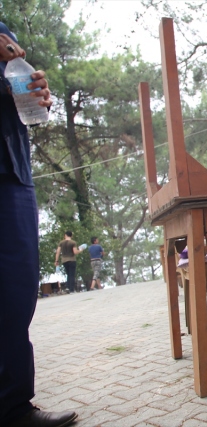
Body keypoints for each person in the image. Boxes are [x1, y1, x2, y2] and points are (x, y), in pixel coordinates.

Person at [0, 24, 78, 427]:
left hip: (13, 170)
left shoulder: (4, 32)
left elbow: (27, 108)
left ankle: (11, 406)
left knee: (16, 290)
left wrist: (35, 95)